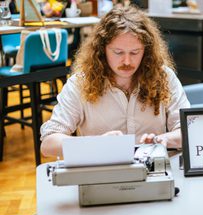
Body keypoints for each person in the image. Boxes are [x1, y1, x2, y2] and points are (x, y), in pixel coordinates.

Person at [40, 5, 190, 157]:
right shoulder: (80, 83)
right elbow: (48, 143)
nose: (127, 61)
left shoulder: (164, 76)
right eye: (118, 52)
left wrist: (163, 140)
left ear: (146, 50)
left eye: (135, 52)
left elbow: (188, 131)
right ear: (102, 49)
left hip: (154, 173)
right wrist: (96, 144)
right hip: (102, 174)